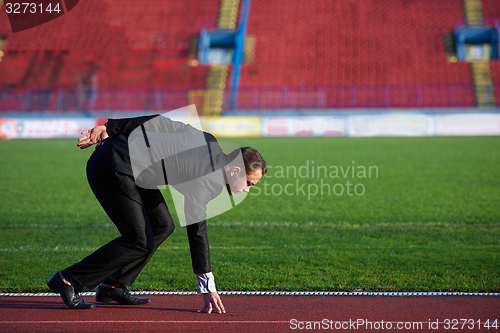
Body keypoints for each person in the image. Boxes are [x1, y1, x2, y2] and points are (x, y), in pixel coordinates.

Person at [47, 113, 267, 312]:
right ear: (235, 169)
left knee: (162, 225)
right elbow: (197, 231)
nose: (246, 190)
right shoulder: (207, 180)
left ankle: (112, 285)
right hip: (113, 167)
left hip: (133, 171)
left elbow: (161, 122)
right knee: (138, 241)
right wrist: (207, 286)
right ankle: (68, 280)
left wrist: (112, 128)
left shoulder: (210, 141)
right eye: (249, 183)